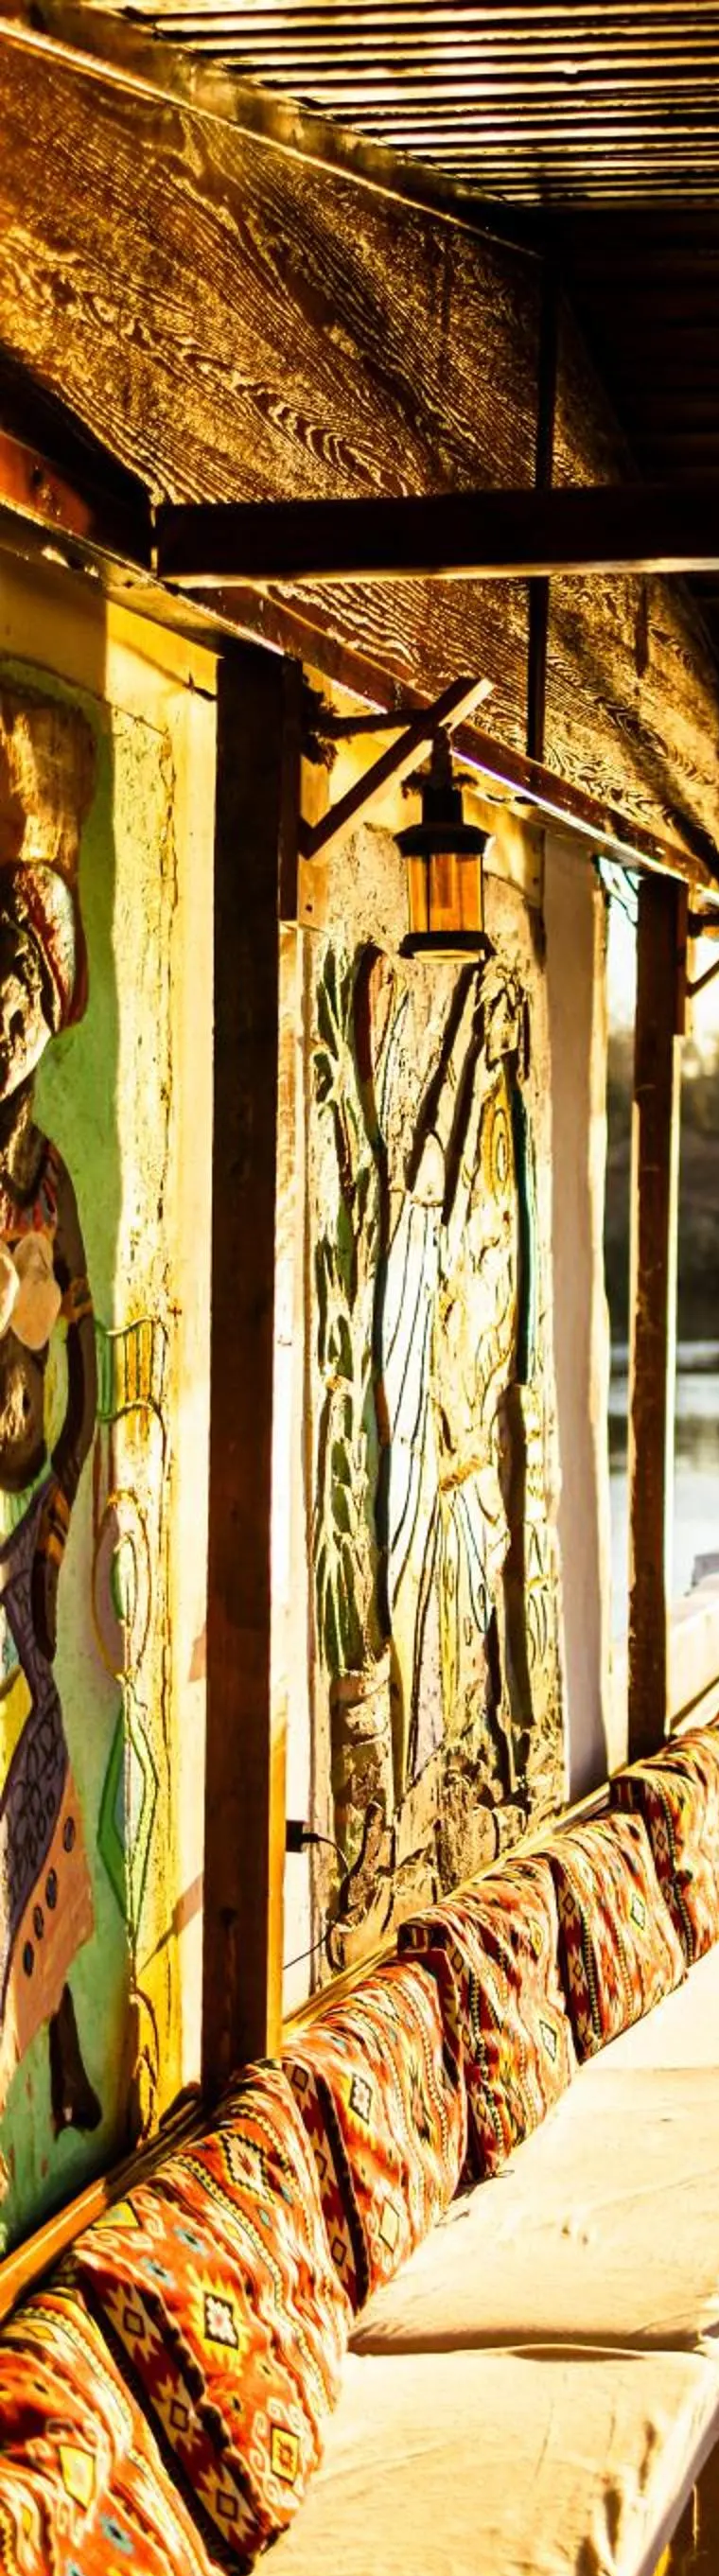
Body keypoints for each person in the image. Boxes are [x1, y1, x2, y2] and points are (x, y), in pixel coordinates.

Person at [0, 858, 99, 2135]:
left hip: (24, 1518)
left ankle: (63, 2049)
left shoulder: (50, 1181)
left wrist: (61, 1499)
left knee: (48, 1761)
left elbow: (77, 1366)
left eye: (17, 996)